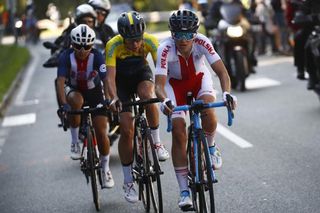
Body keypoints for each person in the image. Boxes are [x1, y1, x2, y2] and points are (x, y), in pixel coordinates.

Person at [154, 9, 237, 210]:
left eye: (188, 35)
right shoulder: (165, 48)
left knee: (209, 110)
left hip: (199, 82)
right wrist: (164, 101)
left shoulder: (202, 41)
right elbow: (158, 85)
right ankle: (184, 191)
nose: (183, 40)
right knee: (178, 129)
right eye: (178, 35)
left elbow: (222, 73)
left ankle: (210, 146)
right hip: (174, 88)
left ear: (195, 34)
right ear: (172, 34)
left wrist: (226, 93)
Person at [105, 11, 170, 203]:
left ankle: (156, 143)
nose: (135, 44)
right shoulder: (113, 45)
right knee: (126, 130)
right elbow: (109, 78)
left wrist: (166, 94)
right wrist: (114, 98)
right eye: (130, 40)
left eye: (138, 39)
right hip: (121, 82)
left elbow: (161, 72)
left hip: (141, 74)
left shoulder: (150, 41)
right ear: (122, 37)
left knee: (147, 95)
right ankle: (128, 181)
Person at [56, 24, 114, 189]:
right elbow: (60, 82)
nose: (82, 50)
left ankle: (105, 168)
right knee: (75, 101)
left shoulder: (97, 56)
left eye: (87, 46)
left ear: (92, 45)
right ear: (72, 45)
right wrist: (64, 105)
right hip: (74, 90)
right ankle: (75, 141)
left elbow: (106, 80)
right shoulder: (65, 56)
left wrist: (108, 99)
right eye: (78, 46)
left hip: (94, 92)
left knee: (102, 132)